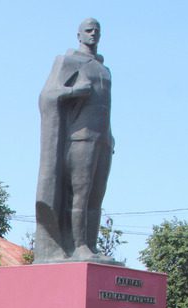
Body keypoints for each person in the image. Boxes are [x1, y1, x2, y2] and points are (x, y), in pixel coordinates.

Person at [35, 17, 114, 263]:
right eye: (88, 31)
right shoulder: (68, 62)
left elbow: (105, 108)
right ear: (79, 35)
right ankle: (78, 246)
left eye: (97, 31)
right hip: (79, 139)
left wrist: (110, 136)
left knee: (96, 196)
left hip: (103, 140)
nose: (93, 35)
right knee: (80, 193)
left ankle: (89, 245)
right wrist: (74, 92)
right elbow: (47, 95)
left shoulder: (104, 69)